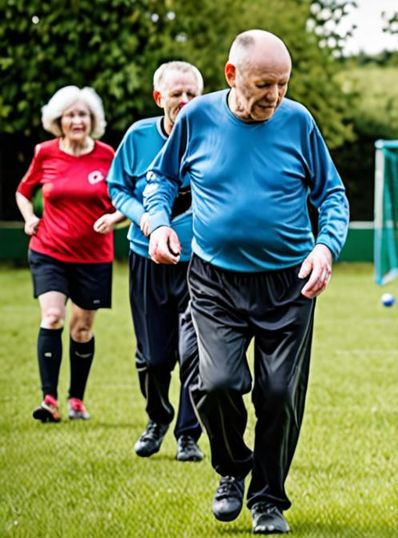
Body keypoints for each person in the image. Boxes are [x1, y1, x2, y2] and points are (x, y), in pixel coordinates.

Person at [144, 30, 348, 534]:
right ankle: (233, 470)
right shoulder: (196, 118)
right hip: (215, 281)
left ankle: (268, 501)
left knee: (279, 393)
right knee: (215, 385)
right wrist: (160, 221)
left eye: (282, 84)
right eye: (263, 84)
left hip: (289, 283)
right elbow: (161, 180)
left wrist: (325, 248)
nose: (274, 96)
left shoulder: (298, 122)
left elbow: (333, 195)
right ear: (232, 75)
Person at [107, 61, 205, 461]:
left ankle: (188, 435)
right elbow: (117, 187)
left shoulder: (213, 136)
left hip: (199, 261)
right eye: (177, 93)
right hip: (147, 257)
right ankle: (157, 417)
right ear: (158, 97)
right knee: (154, 357)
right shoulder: (138, 136)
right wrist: (140, 215)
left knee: (194, 353)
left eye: (192, 94)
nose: (184, 101)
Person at [16, 85, 121, 424]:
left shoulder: (108, 155)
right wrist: (31, 217)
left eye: (83, 115)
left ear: (93, 120)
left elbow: (126, 198)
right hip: (50, 251)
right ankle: (49, 400)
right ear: (57, 120)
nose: (77, 121)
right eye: (70, 115)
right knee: (53, 318)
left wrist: (116, 219)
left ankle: (76, 398)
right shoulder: (45, 153)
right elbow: (23, 191)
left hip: (94, 257)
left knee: (81, 331)